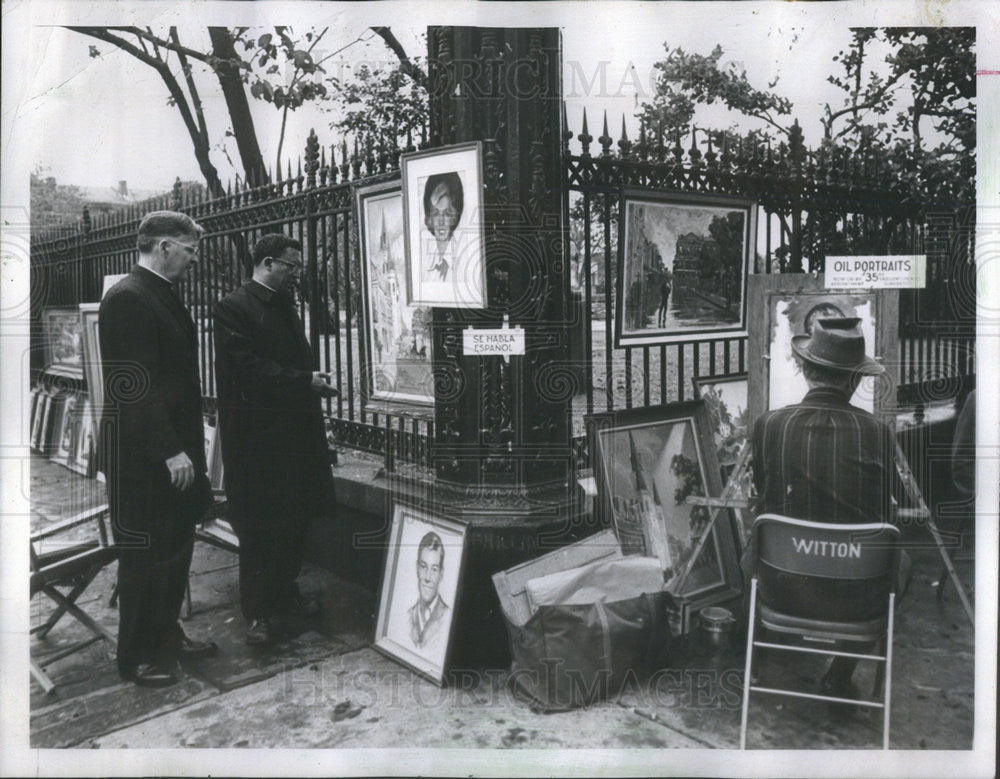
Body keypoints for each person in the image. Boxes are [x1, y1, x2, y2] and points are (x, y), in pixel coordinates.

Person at [749, 316, 905, 704]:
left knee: (749, 551)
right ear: (854, 379)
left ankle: (758, 658)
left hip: (781, 588)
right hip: (856, 597)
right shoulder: (877, 433)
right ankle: (840, 672)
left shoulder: (770, 425)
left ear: (804, 369)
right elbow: (891, 510)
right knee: (901, 563)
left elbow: (763, 493)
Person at [98, 211, 217, 688]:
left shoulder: (158, 293)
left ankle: (166, 634)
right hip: (144, 457)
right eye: (189, 250)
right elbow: (133, 387)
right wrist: (170, 450)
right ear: (164, 247)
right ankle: (138, 655)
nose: (194, 259)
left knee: (174, 551)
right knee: (145, 556)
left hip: (171, 450)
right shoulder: (128, 297)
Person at [214, 234, 337, 646]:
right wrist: (304, 382)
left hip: (292, 435)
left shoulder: (283, 303)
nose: (296, 273)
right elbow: (246, 369)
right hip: (257, 441)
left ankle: (285, 594)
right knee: (260, 529)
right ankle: (259, 614)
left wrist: (308, 382)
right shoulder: (233, 307)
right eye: (292, 266)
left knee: (292, 521)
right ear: (268, 263)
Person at [407, 532, 450, 650]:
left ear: (441, 574)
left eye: (434, 569)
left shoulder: (447, 617)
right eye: (424, 567)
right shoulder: (407, 617)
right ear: (417, 568)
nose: (427, 577)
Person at [422, 172, 464, 281]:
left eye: (447, 213)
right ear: (429, 219)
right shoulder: (426, 265)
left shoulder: (462, 263)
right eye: (436, 213)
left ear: (455, 217)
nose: (441, 221)